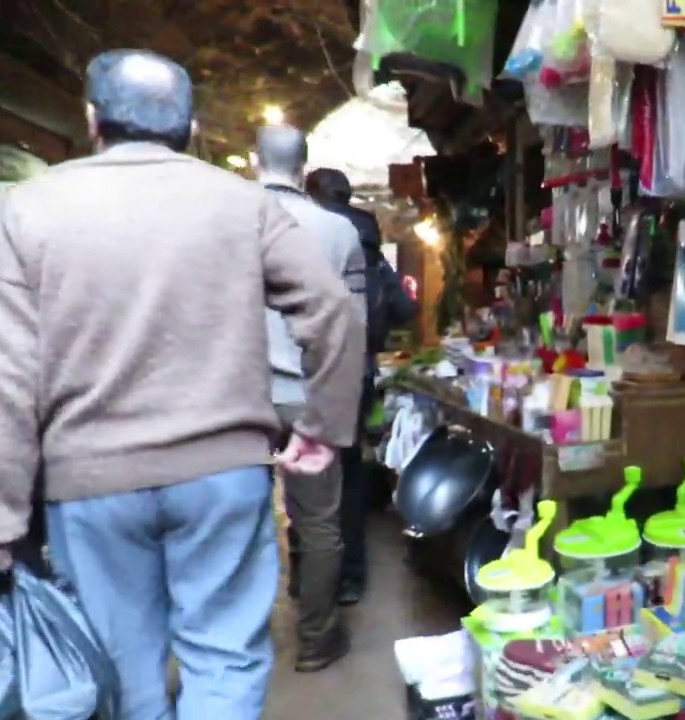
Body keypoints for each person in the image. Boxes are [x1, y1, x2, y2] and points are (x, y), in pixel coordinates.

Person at [0, 49, 364, 718]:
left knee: (123, 668)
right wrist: (322, 428)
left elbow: (8, 374)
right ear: (191, 129)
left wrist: (4, 516)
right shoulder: (240, 203)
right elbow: (332, 309)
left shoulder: (27, 210)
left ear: (91, 119)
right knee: (224, 658)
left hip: (90, 483)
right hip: (222, 475)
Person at [256, 126, 366, 671]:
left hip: (240, 398)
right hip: (308, 394)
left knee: (241, 519)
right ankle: (317, 640)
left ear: (255, 161)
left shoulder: (226, 221)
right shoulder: (339, 231)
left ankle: (242, 641)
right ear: (304, 167)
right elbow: (352, 326)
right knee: (319, 521)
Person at [306, 167, 416, 605]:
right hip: (361, 373)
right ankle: (352, 576)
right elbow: (405, 309)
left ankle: (310, 577)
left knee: (310, 473)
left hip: (311, 375)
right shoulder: (370, 245)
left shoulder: (306, 239)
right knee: (350, 471)